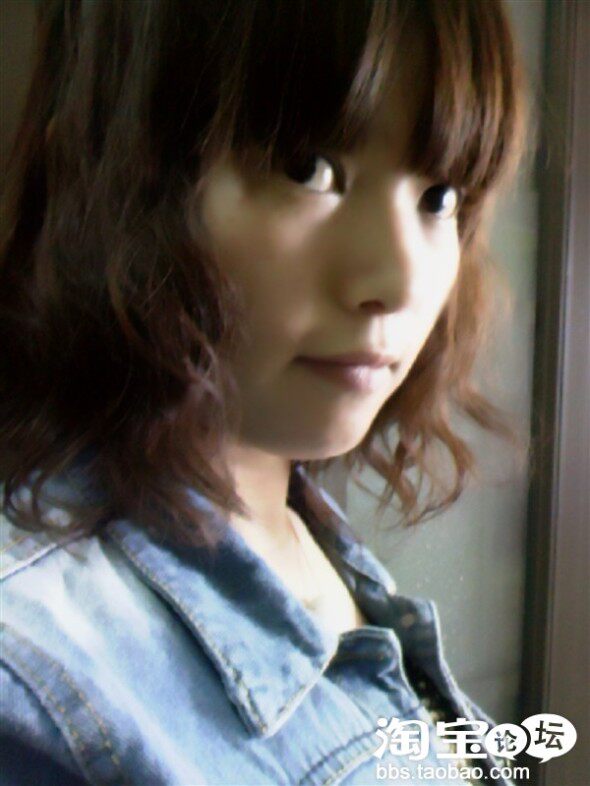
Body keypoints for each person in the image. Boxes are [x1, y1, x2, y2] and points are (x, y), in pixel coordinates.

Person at [0, 1, 530, 784]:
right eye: (307, 170)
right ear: (114, 180)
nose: (398, 281)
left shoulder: (299, 525)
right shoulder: (39, 686)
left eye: (441, 197)